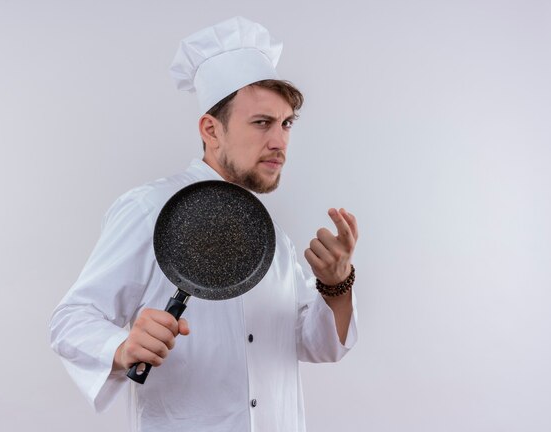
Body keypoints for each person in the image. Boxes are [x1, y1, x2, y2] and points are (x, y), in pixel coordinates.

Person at [50, 16, 358, 432]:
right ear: (211, 130)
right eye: (262, 122)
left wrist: (335, 285)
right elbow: (72, 318)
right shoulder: (151, 209)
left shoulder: (272, 236)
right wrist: (121, 347)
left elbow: (313, 343)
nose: (280, 141)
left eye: (286, 124)